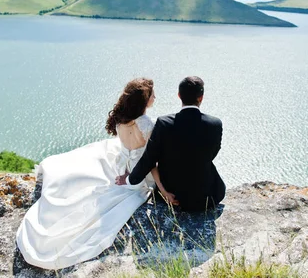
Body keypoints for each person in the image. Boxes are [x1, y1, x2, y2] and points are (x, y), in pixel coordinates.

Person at [16, 78, 170, 269]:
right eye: (152, 94)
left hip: (122, 167)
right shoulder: (147, 123)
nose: (155, 97)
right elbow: (150, 161)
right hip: (139, 175)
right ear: (144, 99)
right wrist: (162, 187)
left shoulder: (121, 119)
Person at [116, 76, 225, 212]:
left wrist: (129, 180)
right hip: (206, 197)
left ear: (179, 96)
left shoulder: (164, 123)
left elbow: (149, 159)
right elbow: (212, 153)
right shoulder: (215, 124)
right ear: (201, 97)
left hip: (170, 194)